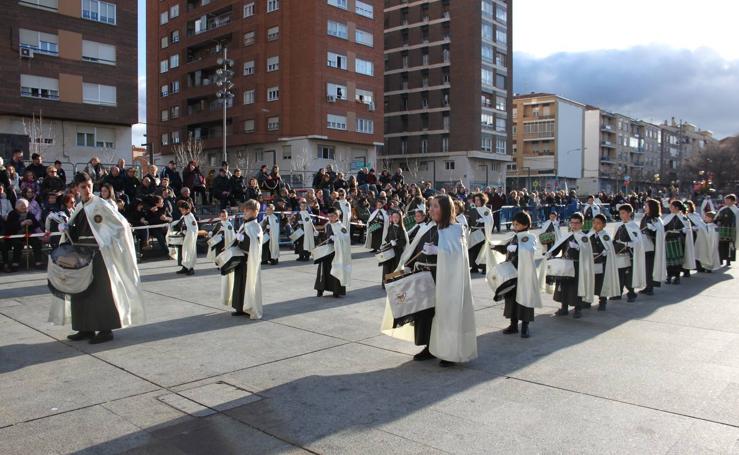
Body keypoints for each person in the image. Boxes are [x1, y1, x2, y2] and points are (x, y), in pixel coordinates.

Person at [48, 172, 145, 344]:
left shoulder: (100, 204)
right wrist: (67, 228)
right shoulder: (79, 207)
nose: (87, 189)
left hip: (98, 254)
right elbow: (77, 229)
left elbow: (121, 225)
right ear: (76, 188)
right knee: (80, 291)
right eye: (83, 186)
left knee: (101, 293)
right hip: (80, 254)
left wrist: (105, 241)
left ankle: (105, 329)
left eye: (89, 185)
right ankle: (86, 328)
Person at [491, 211, 541, 338]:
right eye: (513, 224)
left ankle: (525, 326)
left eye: (517, 224)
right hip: (511, 273)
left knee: (524, 300)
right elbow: (506, 249)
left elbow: (529, 250)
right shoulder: (515, 236)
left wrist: (518, 248)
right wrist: (496, 247)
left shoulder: (529, 237)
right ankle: (513, 324)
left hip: (524, 274)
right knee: (511, 299)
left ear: (525, 225)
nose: (514, 226)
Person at [547, 212, 595, 319]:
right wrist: (550, 252)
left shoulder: (584, 238)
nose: (574, 225)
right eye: (572, 223)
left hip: (577, 266)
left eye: (577, 223)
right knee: (563, 287)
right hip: (565, 265)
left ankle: (578, 309)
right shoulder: (567, 235)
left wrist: (578, 248)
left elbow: (586, 253)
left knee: (576, 288)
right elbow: (558, 248)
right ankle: (564, 308)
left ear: (582, 224)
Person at [231, 200, 264, 319]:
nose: (244, 212)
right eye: (244, 209)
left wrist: (240, 238)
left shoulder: (256, 227)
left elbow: (252, 244)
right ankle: (240, 307)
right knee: (239, 284)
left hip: (248, 260)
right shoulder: (245, 224)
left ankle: (249, 307)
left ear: (255, 212)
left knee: (248, 283)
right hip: (241, 259)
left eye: (248, 210)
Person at [612, 204, 647, 302]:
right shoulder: (618, 225)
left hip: (629, 255)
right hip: (618, 254)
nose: (621, 215)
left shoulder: (633, 226)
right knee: (618, 274)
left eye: (623, 213)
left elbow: (637, 242)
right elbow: (614, 238)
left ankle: (631, 293)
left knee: (628, 275)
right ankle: (618, 292)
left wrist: (627, 243)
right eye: (620, 213)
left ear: (629, 213)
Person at [314, 207, 351, 298]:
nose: (330, 218)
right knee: (323, 269)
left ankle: (336, 291)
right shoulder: (328, 225)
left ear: (337, 216)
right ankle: (320, 290)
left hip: (336, 252)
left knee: (336, 269)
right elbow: (325, 236)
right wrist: (319, 235)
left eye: (332, 216)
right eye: (329, 216)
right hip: (327, 251)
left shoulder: (341, 227)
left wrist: (337, 239)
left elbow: (346, 239)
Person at [588, 214, 621, 311]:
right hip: (590, 263)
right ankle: (587, 301)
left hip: (601, 264)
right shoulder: (589, 235)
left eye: (598, 223)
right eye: (594, 222)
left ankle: (602, 301)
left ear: (604, 225)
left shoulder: (605, 236)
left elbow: (609, 248)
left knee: (601, 283)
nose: (595, 225)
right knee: (590, 282)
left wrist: (606, 251)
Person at [1, 198, 44, 271]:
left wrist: (42, 235)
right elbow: (9, 227)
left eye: (26, 206)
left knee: (36, 242)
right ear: (16, 207)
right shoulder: (12, 214)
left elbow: (37, 226)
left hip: (28, 234)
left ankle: (38, 262)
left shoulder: (30, 214)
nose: (24, 208)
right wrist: (21, 223)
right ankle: (15, 263)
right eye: (22, 206)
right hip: (15, 235)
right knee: (17, 244)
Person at [662, 200, 695, 285]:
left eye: (671, 206)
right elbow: (663, 227)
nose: (670, 208)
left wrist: (684, 230)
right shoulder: (668, 217)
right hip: (668, 240)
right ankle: (669, 276)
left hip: (678, 241)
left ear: (677, 208)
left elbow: (688, 229)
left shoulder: (683, 217)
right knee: (668, 260)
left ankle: (677, 277)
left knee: (677, 261)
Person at [207, 209, 236, 306]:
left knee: (225, 256)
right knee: (219, 255)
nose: (224, 217)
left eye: (225, 215)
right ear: (220, 216)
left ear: (227, 216)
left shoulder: (229, 224)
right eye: (222, 216)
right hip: (220, 243)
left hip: (227, 243)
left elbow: (232, 234)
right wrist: (212, 233)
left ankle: (225, 264)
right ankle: (219, 264)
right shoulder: (218, 224)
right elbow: (214, 233)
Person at [639, 198, 667, 295]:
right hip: (644, 245)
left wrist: (652, 230)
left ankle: (650, 287)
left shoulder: (655, 219)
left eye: (646, 206)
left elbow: (658, 234)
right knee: (646, 267)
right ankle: (647, 286)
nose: (644, 207)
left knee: (650, 268)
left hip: (651, 247)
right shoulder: (646, 217)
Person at [467, 192, 493, 275]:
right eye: (475, 200)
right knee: (473, 249)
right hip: (474, 231)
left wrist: (484, 220)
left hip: (482, 232)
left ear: (482, 200)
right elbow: (469, 220)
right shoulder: (472, 209)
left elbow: (490, 221)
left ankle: (484, 267)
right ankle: (474, 267)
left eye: (478, 200)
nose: (477, 201)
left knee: (483, 250)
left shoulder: (487, 210)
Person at [169, 200, 198, 275]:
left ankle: (190, 268)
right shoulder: (184, 216)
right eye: (181, 210)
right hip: (184, 238)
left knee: (190, 253)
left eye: (183, 210)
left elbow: (193, 229)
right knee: (184, 253)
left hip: (189, 239)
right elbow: (181, 224)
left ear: (188, 209)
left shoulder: (191, 217)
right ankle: (185, 267)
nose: (181, 211)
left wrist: (187, 233)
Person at [380, 210, 408, 287]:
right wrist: (385, 244)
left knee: (396, 267)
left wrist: (397, 243)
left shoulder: (402, 229)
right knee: (387, 267)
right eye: (393, 217)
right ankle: (387, 282)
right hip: (389, 251)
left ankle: (395, 282)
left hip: (397, 252)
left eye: (397, 217)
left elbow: (404, 241)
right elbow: (387, 238)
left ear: (400, 218)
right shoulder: (390, 227)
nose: (395, 219)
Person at [715, 194, 738, 266]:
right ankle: (721, 259)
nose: (726, 201)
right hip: (722, 230)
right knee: (721, 245)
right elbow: (716, 218)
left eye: (727, 200)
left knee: (730, 246)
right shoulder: (722, 209)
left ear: (733, 201)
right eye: (725, 200)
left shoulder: (736, 210)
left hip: (732, 231)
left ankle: (729, 260)